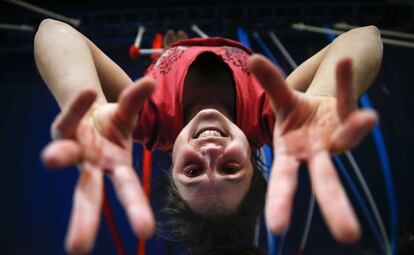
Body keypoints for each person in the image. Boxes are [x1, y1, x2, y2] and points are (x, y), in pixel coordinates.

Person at [34, 18, 382, 254]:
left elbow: (53, 30)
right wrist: (326, 97)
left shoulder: (148, 119)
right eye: (231, 168)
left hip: (173, 52)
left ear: (170, 168)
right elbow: (364, 35)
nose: (211, 152)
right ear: (253, 155)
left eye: (193, 171)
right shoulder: (270, 116)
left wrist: (89, 105)